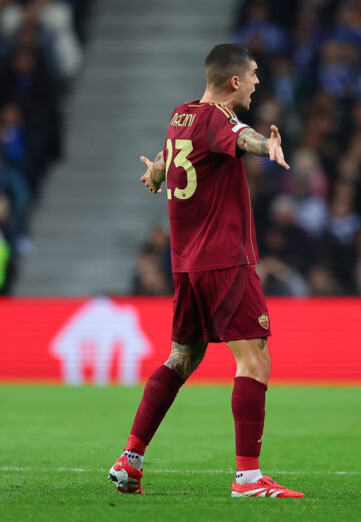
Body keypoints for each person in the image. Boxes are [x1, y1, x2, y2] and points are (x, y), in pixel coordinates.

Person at [108, 44, 303, 499]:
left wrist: (157, 172)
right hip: (224, 261)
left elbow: (170, 160)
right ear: (234, 81)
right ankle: (248, 479)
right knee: (255, 360)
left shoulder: (182, 115)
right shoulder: (219, 117)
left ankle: (131, 459)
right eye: (253, 74)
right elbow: (243, 137)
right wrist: (268, 145)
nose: (257, 81)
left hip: (187, 266)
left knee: (182, 357)